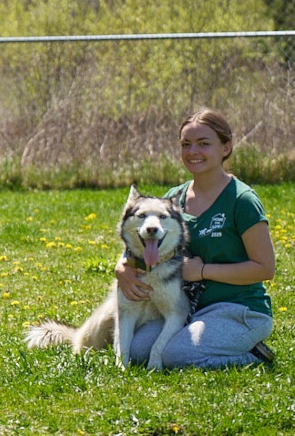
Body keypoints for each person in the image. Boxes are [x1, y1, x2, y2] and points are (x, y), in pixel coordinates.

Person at [117, 109, 276, 368]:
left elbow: (265, 268)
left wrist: (201, 270)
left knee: (177, 357)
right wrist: (122, 266)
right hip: (189, 310)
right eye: (186, 144)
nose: (193, 151)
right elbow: (145, 238)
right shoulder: (174, 198)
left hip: (239, 310)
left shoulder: (242, 200)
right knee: (137, 352)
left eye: (204, 144)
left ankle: (255, 354)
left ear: (226, 148)